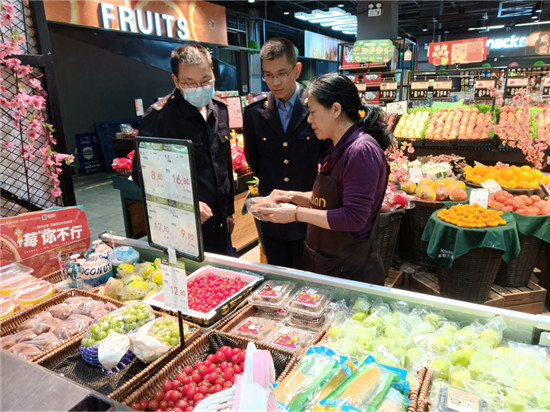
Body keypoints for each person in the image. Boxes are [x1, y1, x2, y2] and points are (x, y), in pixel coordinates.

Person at [258, 73, 391, 285]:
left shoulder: (360, 150)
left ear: (335, 110)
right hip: (330, 264)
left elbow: (354, 217)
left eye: (312, 112)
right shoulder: (339, 147)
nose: (309, 120)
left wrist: (295, 214)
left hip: (349, 274)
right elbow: (330, 200)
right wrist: (291, 196)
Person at [132, 43, 236, 257]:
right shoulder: (159, 117)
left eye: (206, 80)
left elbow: (224, 166)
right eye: (190, 83)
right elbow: (141, 174)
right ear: (176, 81)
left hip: (220, 223)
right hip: (183, 226)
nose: (200, 88)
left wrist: (229, 213)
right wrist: (186, 204)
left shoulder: (220, 110)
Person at [243, 38, 328, 269]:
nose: (275, 82)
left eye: (282, 73)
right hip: (273, 216)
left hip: (309, 215)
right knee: (278, 277)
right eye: (268, 75)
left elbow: (327, 159)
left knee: (310, 281)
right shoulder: (254, 112)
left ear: (297, 69)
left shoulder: (317, 106)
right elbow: (254, 160)